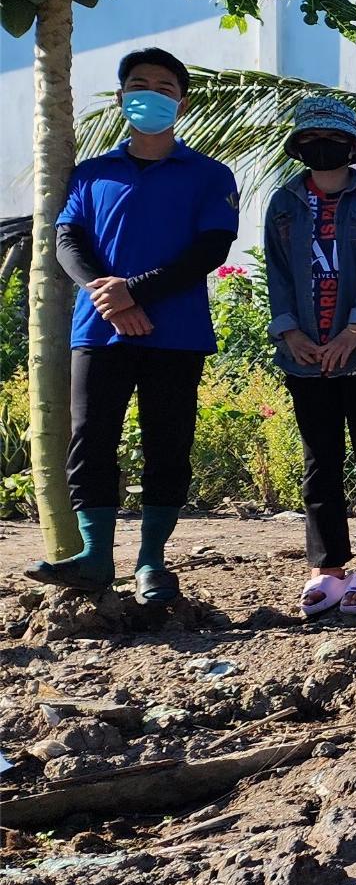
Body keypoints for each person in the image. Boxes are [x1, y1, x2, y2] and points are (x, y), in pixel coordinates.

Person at [26, 49, 238, 604]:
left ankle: (151, 562)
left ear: (181, 102)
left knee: (168, 443)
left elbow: (211, 249)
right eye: (138, 84)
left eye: (164, 86)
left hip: (177, 332)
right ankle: (95, 557)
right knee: (91, 437)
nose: (150, 94)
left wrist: (135, 290)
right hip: (98, 331)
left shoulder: (209, 175)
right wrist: (111, 298)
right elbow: (67, 241)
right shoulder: (91, 173)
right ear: (121, 98)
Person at [265, 97, 356, 620]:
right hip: (305, 357)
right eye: (308, 140)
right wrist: (289, 333)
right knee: (318, 460)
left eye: (330, 139)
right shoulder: (282, 204)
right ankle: (325, 567)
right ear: (297, 147)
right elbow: (277, 274)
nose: (319, 148)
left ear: (352, 146)